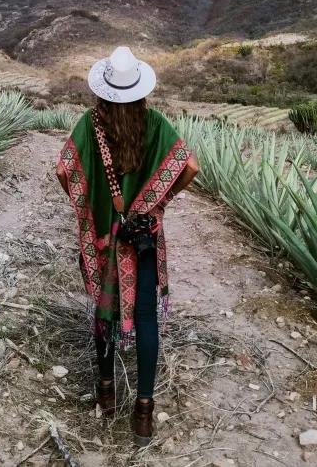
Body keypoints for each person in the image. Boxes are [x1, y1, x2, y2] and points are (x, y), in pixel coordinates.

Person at [55, 46, 199, 446]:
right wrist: (158, 204)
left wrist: (89, 209)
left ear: (103, 89)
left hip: (106, 236)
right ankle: (144, 412)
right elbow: (189, 167)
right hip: (144, 237)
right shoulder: (154, 123)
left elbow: (63, 171)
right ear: (140, 88)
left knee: (105, 313)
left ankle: (105, 391)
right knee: (146, 317)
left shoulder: (90, 124)